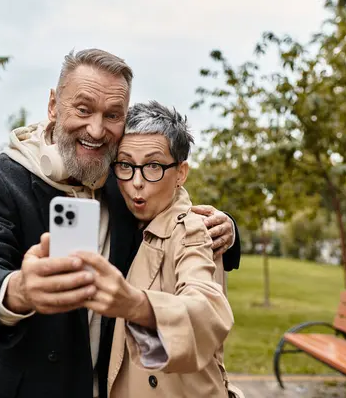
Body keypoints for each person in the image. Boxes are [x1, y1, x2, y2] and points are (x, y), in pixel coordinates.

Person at [0, 48, 241, 398]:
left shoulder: (122, 177)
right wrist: (19, 290)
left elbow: (171, 207)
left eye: (112, 115)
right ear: (53, 106)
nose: (96, 129)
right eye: (83, 109)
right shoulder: (1, 178)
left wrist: (226, 228)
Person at [69, 101, 240, 397]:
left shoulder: (192, 230)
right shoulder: (121, 209)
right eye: (125, 165)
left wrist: (137, 306)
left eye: (153, 166)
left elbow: (207, 308)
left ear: (181, 173)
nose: (136, 182)